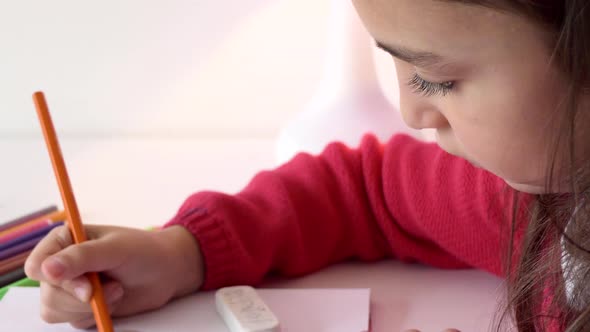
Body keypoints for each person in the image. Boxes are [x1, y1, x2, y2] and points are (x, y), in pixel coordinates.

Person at [23, 1, 590, 331]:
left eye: (439, 79)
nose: (412, 111)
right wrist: (182, 253)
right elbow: (366, 191)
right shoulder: (531, 200)